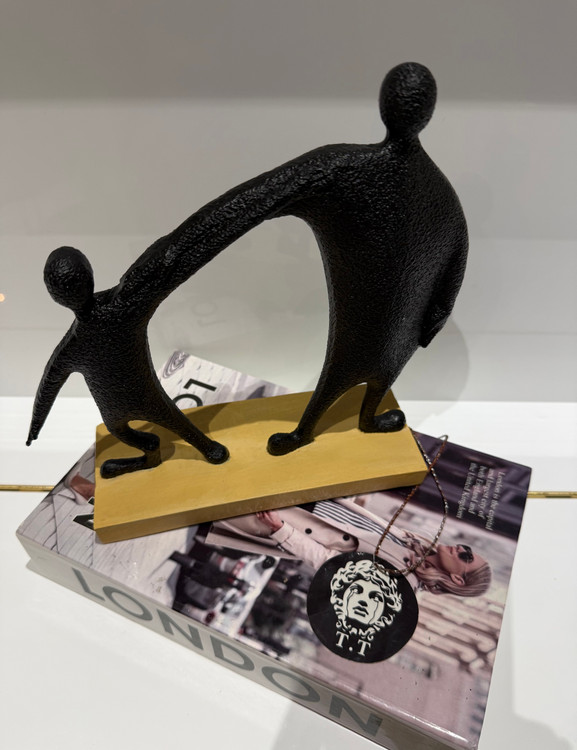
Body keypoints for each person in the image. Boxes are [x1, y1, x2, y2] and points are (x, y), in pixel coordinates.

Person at [29, 62, 467, 473]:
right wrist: (431, 324)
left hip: (389, 332)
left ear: (386, 104)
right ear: (426, 112)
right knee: (367, 365)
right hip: (399, 335)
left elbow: (254, 202)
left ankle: (323, 427)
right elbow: (453, 271)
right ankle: (348, 420)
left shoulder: (348, 169)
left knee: (351, 364)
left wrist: (164, 267)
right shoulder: (442, 196)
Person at [209, 499, 491, 598]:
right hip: (309, 505)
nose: (459, 548)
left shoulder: (404, 581)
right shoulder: (415, 545)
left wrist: (280, 529)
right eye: (466, 547)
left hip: (289, 521)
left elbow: (328, 561)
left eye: (465, 556)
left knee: (217, 502)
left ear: (458, 579)